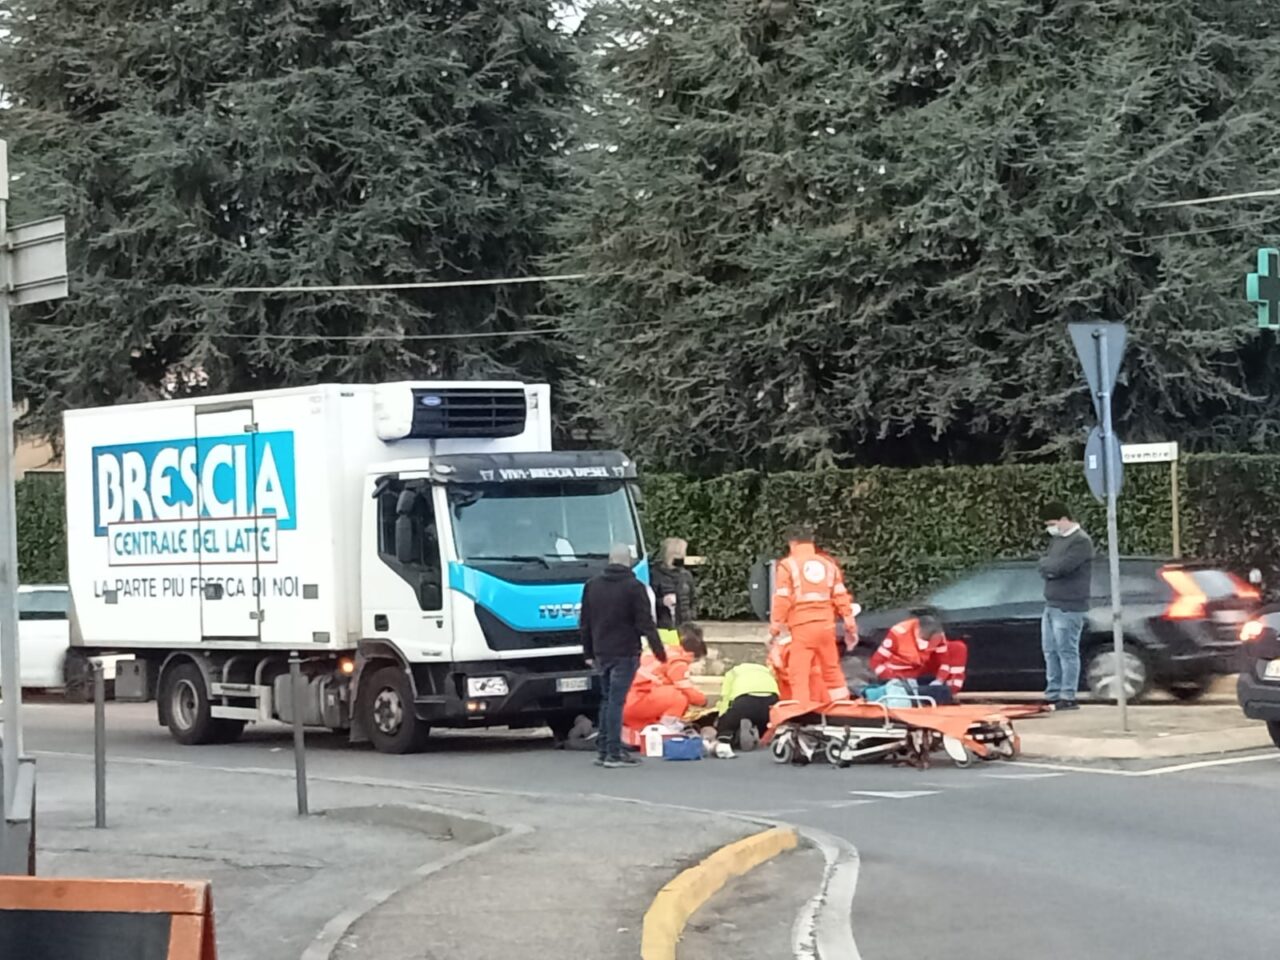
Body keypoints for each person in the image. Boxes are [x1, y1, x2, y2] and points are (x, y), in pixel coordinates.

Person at [580, 543, 667, 768]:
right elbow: (645, 623)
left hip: (601, 651)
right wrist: (659, 652)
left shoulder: (592, 586)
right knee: (617, 702)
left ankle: (603, 749)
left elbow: (585, 622)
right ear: (628, 561)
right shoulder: (633, 587)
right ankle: (614, 752)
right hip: (625, 651)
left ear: (610, 560)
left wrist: (587, 651)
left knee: (607, 699)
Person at [769, 526, 859, 705]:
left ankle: (801, 711)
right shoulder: (828, 564)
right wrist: (850, 624)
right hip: (827, 626)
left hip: (803, 627)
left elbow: (783, 598)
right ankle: (841, 707)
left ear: (792, 543)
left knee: (799, 673)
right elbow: (840, 595)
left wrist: (775, 627)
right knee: (832, 670)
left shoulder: (788, 565)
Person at [1038, 501, 1094, 711]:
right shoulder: (1057, 540)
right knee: (1050, 651)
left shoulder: (1081, 541)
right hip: (1051, 604)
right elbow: (1046, 564)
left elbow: (1061, 567)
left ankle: (1068, 695)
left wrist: (1048, 567)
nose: (1050, 528)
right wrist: (1048, 567)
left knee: (1067, 651)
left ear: (1064, 519)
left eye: (1052, 523)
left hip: (1070, 606)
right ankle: (1053, 693)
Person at [622, 623, 708, 737]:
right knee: (679, 696)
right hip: (636, 702)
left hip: (627, 700)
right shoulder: (678, 662)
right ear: (692, 656)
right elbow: (687, 689)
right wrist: (703, 701)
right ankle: (668, 728)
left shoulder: (664, 650)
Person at [869, 611, 968, 701]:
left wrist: (939, 680)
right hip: (896, 678)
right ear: (919, 633)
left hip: (916, 677)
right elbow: (876, 662)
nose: (930, 647)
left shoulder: (938, 636)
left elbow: (944, 663)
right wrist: (894, 679)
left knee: (940, 690)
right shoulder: (898, 634)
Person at [711, 661, 780, 758]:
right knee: (765, 721)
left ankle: (725, 738)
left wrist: (722, 717)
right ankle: (762, 736)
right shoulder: (767, 672)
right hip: (771, 699)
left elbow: (726, 698)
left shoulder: (733, 673)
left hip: (745, 700)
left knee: (730, 721)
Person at [650, 537, 697, 646]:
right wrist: (663, 602)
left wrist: (691, 615)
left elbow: (693, 599)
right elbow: (648, 601)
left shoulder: (686, 575)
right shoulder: (655, 575)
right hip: (664, 629)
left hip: (685, 628)